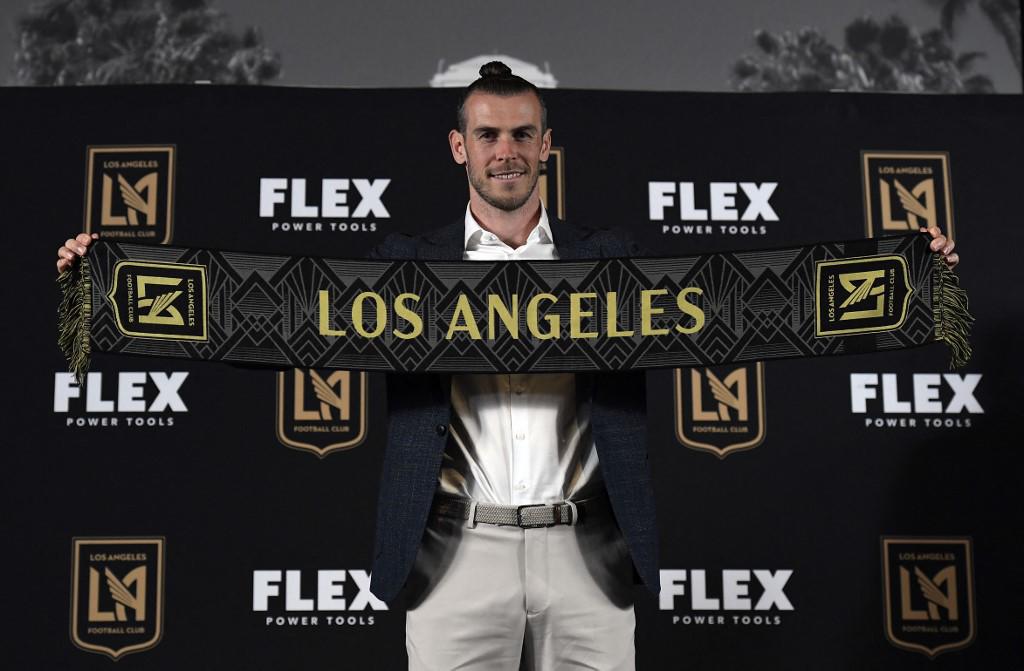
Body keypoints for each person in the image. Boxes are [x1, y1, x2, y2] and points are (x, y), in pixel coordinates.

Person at [56, 62, 962, 670]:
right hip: (454, 552)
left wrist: (912, 274)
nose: (506, 152)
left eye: (523, 134)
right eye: (488, 135)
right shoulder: (400, 272)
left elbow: (768, 299)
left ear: (546, 145)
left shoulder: (615, 269)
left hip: (589, 551)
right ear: (460, 147)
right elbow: (263, 309)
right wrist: (109, 279)